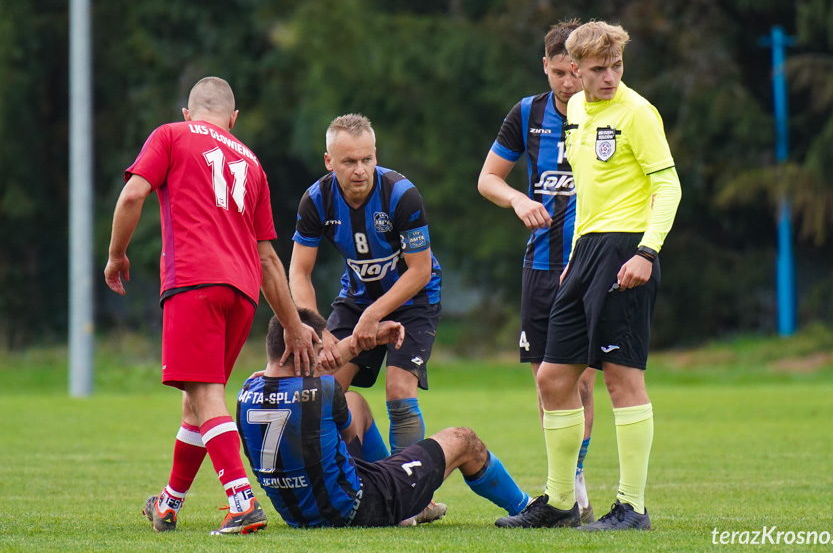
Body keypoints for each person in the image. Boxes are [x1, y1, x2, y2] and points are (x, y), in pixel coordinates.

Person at [104, 76, 319, 535]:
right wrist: (292, 324)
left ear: (188, 112)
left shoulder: (170, 135)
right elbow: (267, 258)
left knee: (205, 395)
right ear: (233, 119)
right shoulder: (252, 162)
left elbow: (133, 194)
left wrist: (117, 254)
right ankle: (167, 505)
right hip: (240, 293)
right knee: (195, 404)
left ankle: (242, 502)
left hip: (193, 282)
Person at [496, 20, 681, 530]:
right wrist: (575, 261)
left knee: (623, 381)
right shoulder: (575, 107)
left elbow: (668, 188)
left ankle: (632, 507)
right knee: (554, 378)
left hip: (627, 249)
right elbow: (591, 194)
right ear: (574, 70)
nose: (610, 78)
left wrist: (646, 253)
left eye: (617, 66)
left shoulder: (639, 112)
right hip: (584, 254)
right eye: (599, 69)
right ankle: (560, 501)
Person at [236, 310, 532, 528]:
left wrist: (360, 342)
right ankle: (527, 508)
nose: (321, 360)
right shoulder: (324, 389)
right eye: (318, 353)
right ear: (299, 347)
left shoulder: (245, 391)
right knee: (463, 439)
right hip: (356, 508)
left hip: (297, 515)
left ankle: (400, 492)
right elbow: (347, 429)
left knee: (356, 401)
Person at [477, 18, 596, 523]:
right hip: (540, 265)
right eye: (558, 73)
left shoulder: (609, 111)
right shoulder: (527, 114)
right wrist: (517, 199)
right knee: (547, 383)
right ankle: (561, 487)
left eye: (575, 72)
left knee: (583, 382)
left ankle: (573, 482)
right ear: (544, 67)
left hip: (591, 264)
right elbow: (487, 178)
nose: (568, 84)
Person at [289, 113, 442, 456]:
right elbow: (298, 271)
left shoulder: (402, 195)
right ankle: (368, 481)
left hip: (414, 298)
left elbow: (420, 270)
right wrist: (316, 327)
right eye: (349, 161)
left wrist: (374, 315)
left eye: (367, 159)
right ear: (329, 161)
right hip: (357, 299)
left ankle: (410, 494)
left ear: (376, 155)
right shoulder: (315, 201)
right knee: (322, 391)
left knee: (399, 389)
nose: (360, 170)